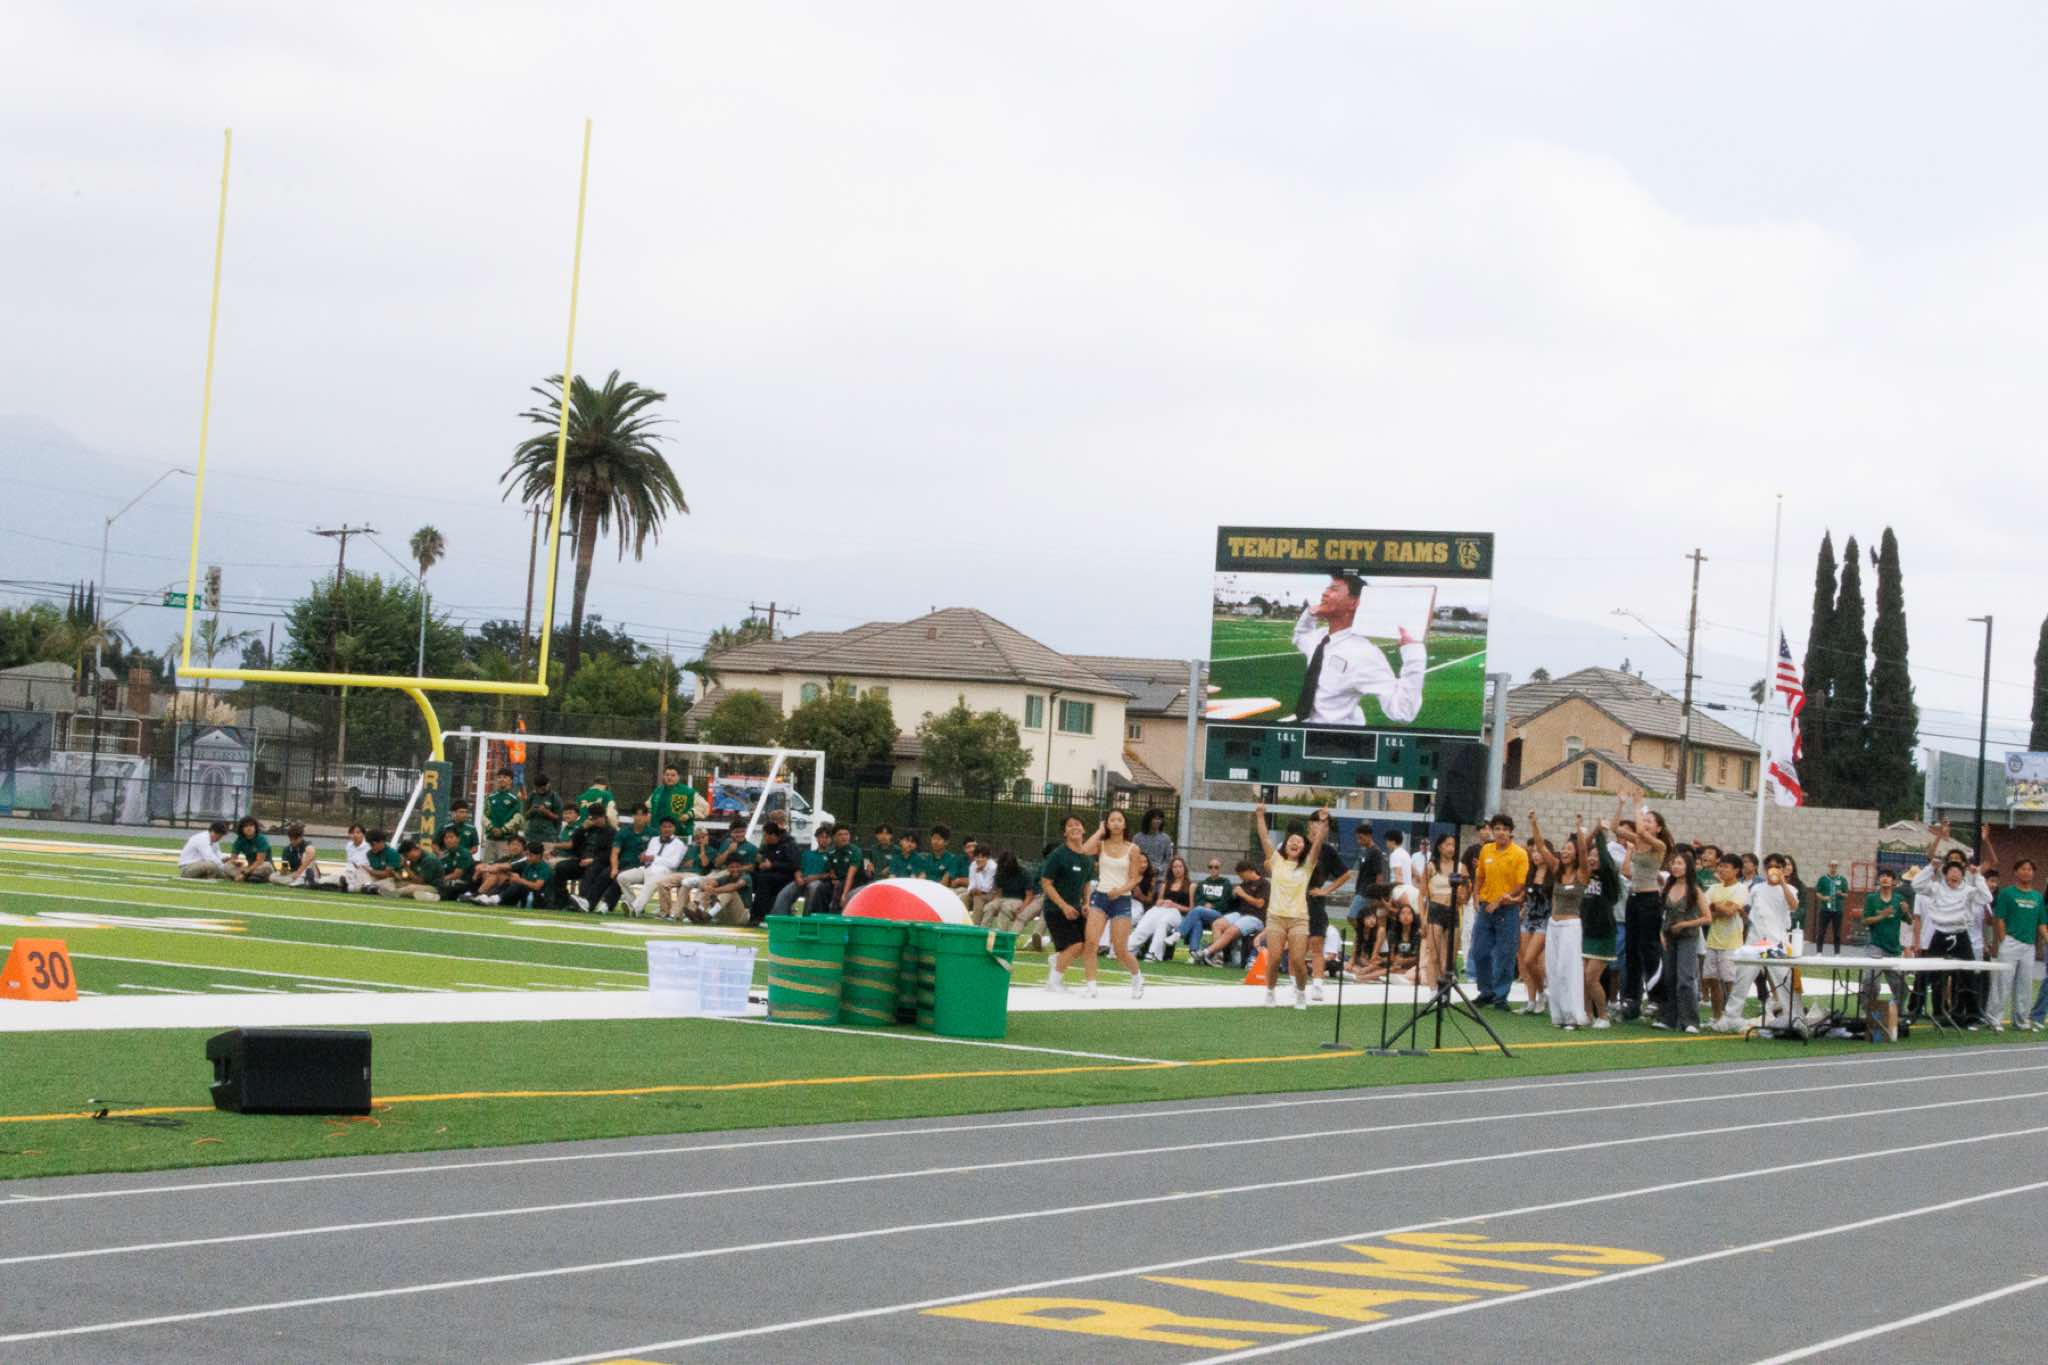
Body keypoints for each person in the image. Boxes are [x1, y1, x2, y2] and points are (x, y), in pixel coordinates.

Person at [1289, 569, 1425, 726]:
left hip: (1338, 736)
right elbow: (1300, 636)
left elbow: (1403, 711)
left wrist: (1414, 655)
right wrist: (1309, 613)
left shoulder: (1363, 653)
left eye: (1333, 589)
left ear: (1354, 603)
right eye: (1326, 588)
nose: (1324, 593)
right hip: (1306, 728)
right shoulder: (1319, 637)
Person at [1907, 823, 1993, 1026]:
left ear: (1963, 875)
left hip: (1961, 934)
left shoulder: (1969, 891)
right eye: (1951, 871)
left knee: (1968, 972)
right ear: (1945, 874)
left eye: (1958, 871)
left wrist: (1978, 876)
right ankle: (1917, 1009)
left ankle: (1971, 1012)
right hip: (1940, 933)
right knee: (1928, 972)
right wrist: (1930, 867)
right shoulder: (1936, 888)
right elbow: (1916, 885)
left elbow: (1987, 898)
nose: (1954, 874)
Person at [1249, 800, 1325, 1009]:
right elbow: (1264, 837)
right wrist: (1260, 815)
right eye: (1292, 840)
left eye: (1299, 841)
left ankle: (1300, 993)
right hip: (1276, 917)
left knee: (1298, 961)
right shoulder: (1276, 861)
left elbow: (1318, 844)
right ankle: (1270, 992)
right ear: (1286, 844)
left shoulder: (1307, 865)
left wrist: (1324, 824)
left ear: (1303, 847)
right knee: (1274, 959)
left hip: (1299, 919)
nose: (1295, 843)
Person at [1716, 854, 1800, 1033]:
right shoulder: (1756, 889)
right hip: (1755, 942)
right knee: (1742, 980)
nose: (1773, 870)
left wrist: (1782, 883)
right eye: (1770, 867)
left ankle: (1794, 1017)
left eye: (1777, 867)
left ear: (1783, 869)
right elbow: (1747, 910)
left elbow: (1793, 906)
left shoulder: (1790, 889)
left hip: (1776, 943)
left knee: (1784, 982)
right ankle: (1731, 1017)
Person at [1078, 810, 1147, 998]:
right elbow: (1084, 850)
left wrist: (1119, 890)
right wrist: (1099, 831)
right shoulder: (1101, 845)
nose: (1116, 823)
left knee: (1120, 950)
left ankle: (1137, 977)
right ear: (1107, 824)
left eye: (1119, 820)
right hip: (1100, 897)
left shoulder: (1133, 849)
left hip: (1121, 899)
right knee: (1091, 943)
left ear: (1124, 824)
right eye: (1112, 820)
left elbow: (1134, 878)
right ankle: (1091, 986)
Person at [1615, 802, 1672, 1020]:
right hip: (1634, 898)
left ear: (1658, 828)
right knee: (1631, 949)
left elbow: (1639, 830)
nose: (1645, 823)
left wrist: (1638, 807)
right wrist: (1621, 804)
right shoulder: (1637, 841)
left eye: (1649, 821)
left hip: (1649, 899)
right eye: (1644, 819)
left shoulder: (1659, 845)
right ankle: (1632, 999)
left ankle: (1658, 998)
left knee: (1650, 949)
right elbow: (1615, 828)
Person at [1469, 814, 1529, 1010]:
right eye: (1497, 829)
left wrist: (1500, 900)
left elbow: (1520, 884)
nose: (1501, 832)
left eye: (1505, 829)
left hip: (1507, 909)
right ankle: (1486, 992)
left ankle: (1500, 997)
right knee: (1479, 951)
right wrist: (1476, 896)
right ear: (1492, 831)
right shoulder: (1486, 850)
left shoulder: (1519, 854)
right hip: (1486, 908)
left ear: (1510, 832)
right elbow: (1479, 876)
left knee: (1505, 954)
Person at [1985, 852, 2044, 1032]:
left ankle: (2021, 1020)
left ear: (2033, 873)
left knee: (2025, 985)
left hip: (2029, 946)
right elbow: (1999, 919)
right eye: (2023, 869)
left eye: (2030, 869)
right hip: (2010, 942)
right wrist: (2004, 939)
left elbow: (2042, 923)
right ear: (2016, 872)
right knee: (2002, 982)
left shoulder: (2037, 897)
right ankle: (1993, 1019)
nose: (2027, 872)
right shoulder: (2007, 893)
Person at [1541, 821, 1591, 1030]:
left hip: (1571, 925)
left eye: (1569, 849)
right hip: (1553, 925)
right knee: (1553, 969)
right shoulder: (1557, 870)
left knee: (1567, 970)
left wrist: (1579, 832)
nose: (1565, 851)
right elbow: (1542, 848)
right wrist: (1533, 823)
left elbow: (1585, 854)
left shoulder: (1582, 874)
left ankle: (1573, 1017)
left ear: (1576, 853)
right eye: (1563, 848)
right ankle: (1559, 1016)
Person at [1040, 815, 1097, 995]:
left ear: (1084, 829)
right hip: (1055, 909)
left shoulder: (1087, 858)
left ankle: (1057, 959)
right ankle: (1053, 983)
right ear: (1064, 833)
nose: (1074, 828)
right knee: (1075, 945)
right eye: (1069, 826)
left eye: (1077, 824)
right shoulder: (1058, 855)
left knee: (1086, 944)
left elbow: (1087, 883)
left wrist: (1086, 903)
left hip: (1076, 909)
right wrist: (1063, 906)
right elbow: (1046, 883)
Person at [1654, 849, 1708, 1032]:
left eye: (1680, 863)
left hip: (1688, 938)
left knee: (1685, 979)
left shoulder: (1695, 890)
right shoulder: (1667, 887)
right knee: (1669, 977)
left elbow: (1707, 917)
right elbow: (1662, 914)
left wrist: (1685, 924)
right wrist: (1661, 934)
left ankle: (1690, 1021)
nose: (1675, 867)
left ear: (1688, 867)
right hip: (1669, 937)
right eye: (1674, 863)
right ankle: (1669, 1018)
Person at [1301, 809, 1352, 1001]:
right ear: (1310, 823)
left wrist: (1326, 890)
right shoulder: (1298, 843)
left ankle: (1317, 985)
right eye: (1319, 822)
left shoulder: (1328, 851)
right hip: (1295, 900)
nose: (1323, 827)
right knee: (1297, 946)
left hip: (1315, 900)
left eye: (1326, 824)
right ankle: (1297, 984)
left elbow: (1346, 874)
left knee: (1317, 943)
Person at [1580, 819, 1622, 1028]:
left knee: (1591, 978)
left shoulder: (1609, 878)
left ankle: (1603, 1016)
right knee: (1583, 978)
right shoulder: (1585, 877)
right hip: (1586, 932)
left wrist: (1600, 834)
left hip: (1603, 933)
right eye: (1591, 855)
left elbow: (1605, 860)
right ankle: (1587, 1014)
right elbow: (1581, 851)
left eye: (1596, 856)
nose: (1592, 858)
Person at [1515, 812, 1557, 1015]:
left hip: (1544, 921)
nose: (1536, 854)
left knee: (1532, 959)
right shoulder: (1530, 873)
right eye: (1533, 852)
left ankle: (1544, 992)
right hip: (1527, 919)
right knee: (1524, 962)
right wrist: (1517, 904)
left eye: (1539, 851)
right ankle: (1532, 1000)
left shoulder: (1554, 873)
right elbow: (1525, 897)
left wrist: (1534, 823)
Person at [1701, 853, 1748, 1022]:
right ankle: (1717, 1017)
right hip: (1713, 940)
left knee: (1730, 981)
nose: (1721, 869)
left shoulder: (1741, 888)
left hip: (1731, 942)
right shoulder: (1714, 888)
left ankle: (1733, 1016)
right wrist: (1720, 907)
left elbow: (1729, 912)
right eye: (1720, 866)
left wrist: (1715, 905)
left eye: (1726, 867)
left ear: (1736, 870)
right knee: (1712, 980)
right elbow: (1704, 911)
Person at [1196, 860, 1269, 967]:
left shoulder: (1264, 883)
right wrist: (1233, 895)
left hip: (1255, 917)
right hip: (1240, 914)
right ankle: (1218, 958)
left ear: (1249, 871)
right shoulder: (1244, 884)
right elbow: (1234, 902)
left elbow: (1260, 904)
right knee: (1217, 924)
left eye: (1241, 875)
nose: (1241, 878)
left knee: (1231, 930)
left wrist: (1242, 894)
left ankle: (1206, 952)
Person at [619, 816, 690, 916]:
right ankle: (633, 902)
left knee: (650, 884)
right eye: (664, 827)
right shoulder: (654, 840)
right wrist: (644, 857)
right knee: (622, 877)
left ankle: (635, 909)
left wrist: (654, 858)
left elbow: (674, 864)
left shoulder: (679, 844)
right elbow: (648, 855)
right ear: (660, 828)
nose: (667, 829)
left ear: (674, 828)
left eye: (669, 827)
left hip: (664, 872)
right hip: (647, 869)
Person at [1418, 833, 1461, 991]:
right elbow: (1421, 894)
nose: (1451, 848)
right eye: (1447, 844)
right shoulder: (1431, 866)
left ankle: (1444, 991)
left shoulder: (1459, 867)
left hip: (1453, 910)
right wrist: (1423, 918)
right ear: (1440, 847)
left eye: (1453, 845)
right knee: (1433, 955)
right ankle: (1433, 991)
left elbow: (1464, 892)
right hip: (1436, 909)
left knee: (1449, 958)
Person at [1133, 856, 1195, 961]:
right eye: (1175, 867)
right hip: (1163, 911)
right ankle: (1131, 948)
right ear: (1171, 869)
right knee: (1147, 920)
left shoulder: (1191, 886)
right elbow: (1158, 902)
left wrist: (1175, 905)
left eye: (1180, 866)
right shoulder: (1165, 884)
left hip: (1179, 916)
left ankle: (1154, 953)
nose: (1177, 869)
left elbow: (1192, 910)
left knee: (1163, 922)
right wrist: (1160, 902)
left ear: (1184, 868)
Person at [1181, 858, 1235, 957]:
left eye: (1216, 867)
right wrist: (1205, 905)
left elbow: (1226, 902)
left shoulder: (1226, 883)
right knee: (1197, 921)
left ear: (1220, 869)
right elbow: (1198, 900)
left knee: (1198, 910)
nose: (1213, 869)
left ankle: (1179, 933)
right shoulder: (1202, 884)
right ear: (1208, 869)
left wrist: (1212, 906)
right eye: (1211, 867)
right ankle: (1194, 951)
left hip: (1218, 914)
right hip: (1203, 914)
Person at [647, 763, 700, 839]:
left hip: (679, 834)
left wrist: (689, 815)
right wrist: (648, 814)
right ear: (663, 776)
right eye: (667, 775)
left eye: (673, 775)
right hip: (657, 834)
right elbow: (649, 806)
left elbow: (704, 807)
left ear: (678, 776)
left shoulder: (688, 792)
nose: (669, 777)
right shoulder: (658, 791)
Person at [481, 770, 524, 862]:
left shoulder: (515, 798)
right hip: (490, 839)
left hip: (506, 840)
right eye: (499, 777)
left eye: (505, 777)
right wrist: (491, 828)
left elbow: (517, 818)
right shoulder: (490, 797)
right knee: (486, 866)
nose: (501, 779)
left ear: (511, 780)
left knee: (503, 867)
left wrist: (503, 830)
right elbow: (484, 816)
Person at [271, 822, 324, 888]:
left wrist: (299, 872)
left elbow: (311, 854)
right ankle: (299, 882)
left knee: (306, 856)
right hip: (293, 874)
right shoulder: (287, 850)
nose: (293, 841)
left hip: (309, 873)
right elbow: (285, 869)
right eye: (291, 839)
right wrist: (283, 874)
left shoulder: (307, 845)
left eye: (295, 839)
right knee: (272, 877)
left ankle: (303, 880)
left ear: (301, 837)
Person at [823, 824, 861, 914]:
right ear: (834, 837)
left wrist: (844, 894)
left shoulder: (855, 851)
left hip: (855, 881)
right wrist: (833, 876)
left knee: (839, 886)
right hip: (838, 880)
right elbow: (830, 869)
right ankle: (818, 913)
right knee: (820, 887)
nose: (844, 837)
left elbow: (850, 875)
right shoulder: (830, 851)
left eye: (846, 834)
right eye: (840, 834)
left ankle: (834, 913)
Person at [432, 824, 476, 900]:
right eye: (446, 838)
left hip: (464, 883)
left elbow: (457, 874)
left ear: (458, 839)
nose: (448, 840)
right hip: (448, 882)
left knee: (446, 886)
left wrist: (441, 880)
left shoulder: (464, 853)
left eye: (451, 837)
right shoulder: (444, 854)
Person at [1815, 859, 1849, 954]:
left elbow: (1846, 894)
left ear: (1838, 867)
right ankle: (1819, 952)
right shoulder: (1823, 879)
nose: (1833, 867)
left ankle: (1837, 953)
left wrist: (1841, 894)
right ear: (1829, 866)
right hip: (1825, 909)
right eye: (1832, 865)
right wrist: (1823, 898)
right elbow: (1817, 892)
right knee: (1821, 932)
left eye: (1835, 866)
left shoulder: (1842, 879)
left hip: (1838, 910)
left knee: (1837, 933)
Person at [524, 775, 565, 854]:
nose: (540, 791)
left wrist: (546, 812)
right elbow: (525, 816)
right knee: (532, 855)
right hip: (532, 835)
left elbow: (559, 817)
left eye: (542, 788)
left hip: (548, 835)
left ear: (548, 785)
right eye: (537, 788)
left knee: (547, 856)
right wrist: (531, 810)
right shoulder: (532, 796)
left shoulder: (554, 797)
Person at [227, 815, 272, 881]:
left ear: (255, 827)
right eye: (245, 826)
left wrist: (246, 872)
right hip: (249, 867)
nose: (249, 828)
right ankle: (249, 877)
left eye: (251, 825)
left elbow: (260, 861)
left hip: (260, 866)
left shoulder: (261, 839)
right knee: (227, 865)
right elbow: (233, 858)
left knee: (266, 866)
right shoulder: (239, 840)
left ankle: (244, 876)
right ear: (241, 829)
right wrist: (236, 863)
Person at [358, 829, 403, 895]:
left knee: (387, 884)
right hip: (375, 878)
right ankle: (370, 887)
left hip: (390, 880)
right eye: (370, 845)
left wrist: (369, 871)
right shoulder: (369, 854)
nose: (371, 847)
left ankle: (370, 887)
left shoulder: (392, 853)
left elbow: (386, 874)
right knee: (360, 870)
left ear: (381, 842)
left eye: (373, 845)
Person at [1134, 808, 1174, 879]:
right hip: (1140, 877)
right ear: (1148, 820)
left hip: (1159, 878)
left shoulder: (1166, 839)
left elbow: (1168, 859)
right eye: (1155, 818)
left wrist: (1159, 869)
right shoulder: (1137, 838)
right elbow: (1133, 857)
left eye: (1160, 819)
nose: (1158, 821)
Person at [965, 844, 1000, 923]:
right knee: (963, 897)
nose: (979, 859)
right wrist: (971, 890)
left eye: (982, 857)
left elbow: (986, 888)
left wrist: (978, 872)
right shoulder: (973, 865)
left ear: (987, 858)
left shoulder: (993, 867)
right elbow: (971, 885)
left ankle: (975, 925)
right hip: (977, 892)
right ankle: (962, 923)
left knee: (978, 898)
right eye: (977, 857)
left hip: (991, 894)